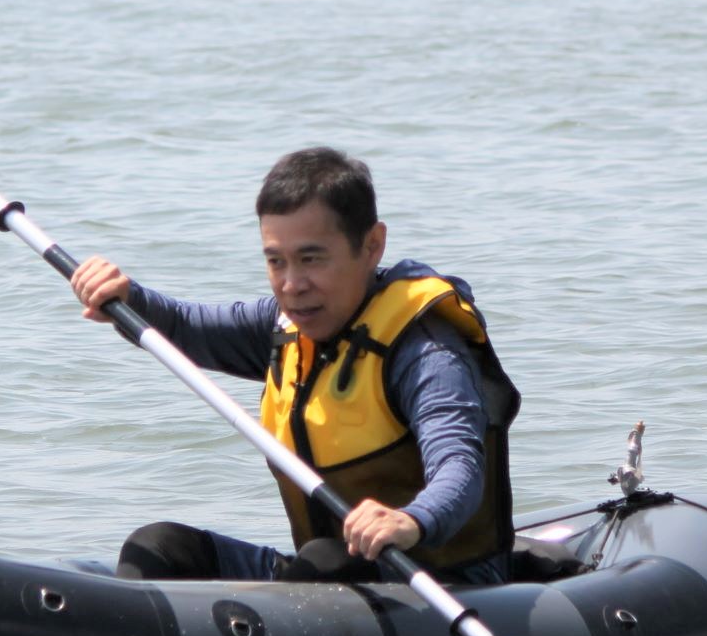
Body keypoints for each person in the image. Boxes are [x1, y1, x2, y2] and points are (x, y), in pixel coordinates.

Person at [68, 147, 519, 588]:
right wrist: (125, 299)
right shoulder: (284, 329)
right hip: (325, 572)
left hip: (441, 582)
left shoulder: (425, 353)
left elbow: (459, 466)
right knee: (160, 545)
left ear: (372, 245)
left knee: (324, 561)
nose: (292, 285)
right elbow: (182, 325)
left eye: (311, 259)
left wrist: (410, 520)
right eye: (275, 261)